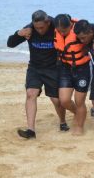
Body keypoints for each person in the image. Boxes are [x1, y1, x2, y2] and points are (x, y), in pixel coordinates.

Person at [7, 10, 68, 139]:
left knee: (56, 100)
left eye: (41, 27)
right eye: (36, 27)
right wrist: (19, 33)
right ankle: (31, 131)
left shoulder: (55, 27)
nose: (39, 30)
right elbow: (10, 44)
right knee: (30, 94)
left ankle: (62, 122)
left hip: (53, 68)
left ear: (48, 22)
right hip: (35, 67)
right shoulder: (29, 29)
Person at [54, 14, 92, 136]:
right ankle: (78, 113)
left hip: (82, 68)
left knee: (79, 100)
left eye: (64, 31)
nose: (62, 33)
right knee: (64, 100)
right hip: (65, 67)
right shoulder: (55, 29)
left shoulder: (79, 30)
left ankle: (80, 126)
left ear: (70, 26)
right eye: (59, 31)